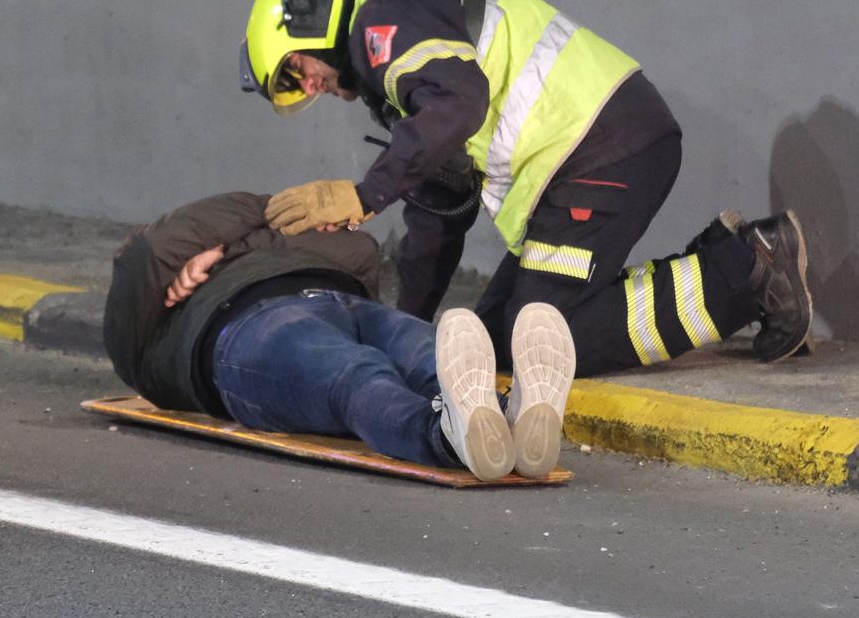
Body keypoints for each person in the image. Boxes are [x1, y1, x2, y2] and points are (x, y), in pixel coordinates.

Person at [236, 0, 812, 378]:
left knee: (543, 340)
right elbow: (439, 209)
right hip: (587, 152)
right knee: (489, 346)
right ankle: (732, 256)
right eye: (293, 87)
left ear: (309, 11)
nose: (307, 85)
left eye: (294, 69)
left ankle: (747, 274)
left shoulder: (383, 18)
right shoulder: (397, 40)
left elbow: (460, 101)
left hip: (601, 146)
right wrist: (401, 330)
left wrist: (365, 195)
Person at [103, 191, 577, 481]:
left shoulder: (246, 246)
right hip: (244, 331)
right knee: (357, 377)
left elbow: (355, 247)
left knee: (426, 352)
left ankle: (509, 419)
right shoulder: (149, 344)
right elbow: (148, 250)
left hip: (349, 303)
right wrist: (231, 240)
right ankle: (447, 439)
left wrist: (227, 247)